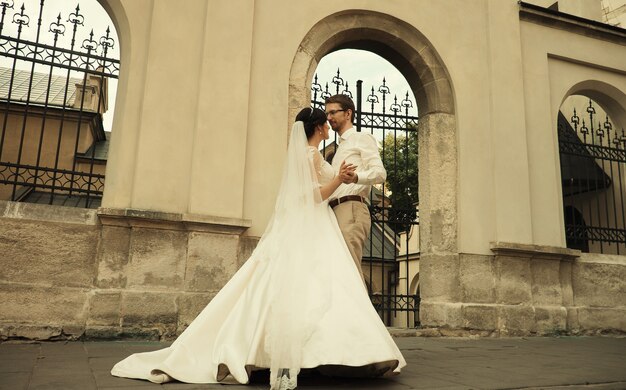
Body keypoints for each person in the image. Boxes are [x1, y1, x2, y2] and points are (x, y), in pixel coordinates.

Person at [110, 107, 406, 390]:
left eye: (332, 116)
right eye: (325, 120)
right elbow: (313, 196)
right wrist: (339, 179)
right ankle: (322, 354)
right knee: (321, 285)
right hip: (317, 221)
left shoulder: (307, 155)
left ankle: (309, 352)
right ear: (318, 128)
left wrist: (345, 178)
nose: (329, 123)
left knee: (298, 285)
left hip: (316, 224)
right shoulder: (312, 155)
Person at [325, 94, 387, 284]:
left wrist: (357, 177)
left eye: (333, 112)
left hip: (351, 208)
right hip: (333, 213)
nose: (329, 117)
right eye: (327, 113)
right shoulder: (338, 150)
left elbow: (380, 173)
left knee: (349, 273)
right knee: (336, 274)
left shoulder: (361, 138)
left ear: (348, 113)